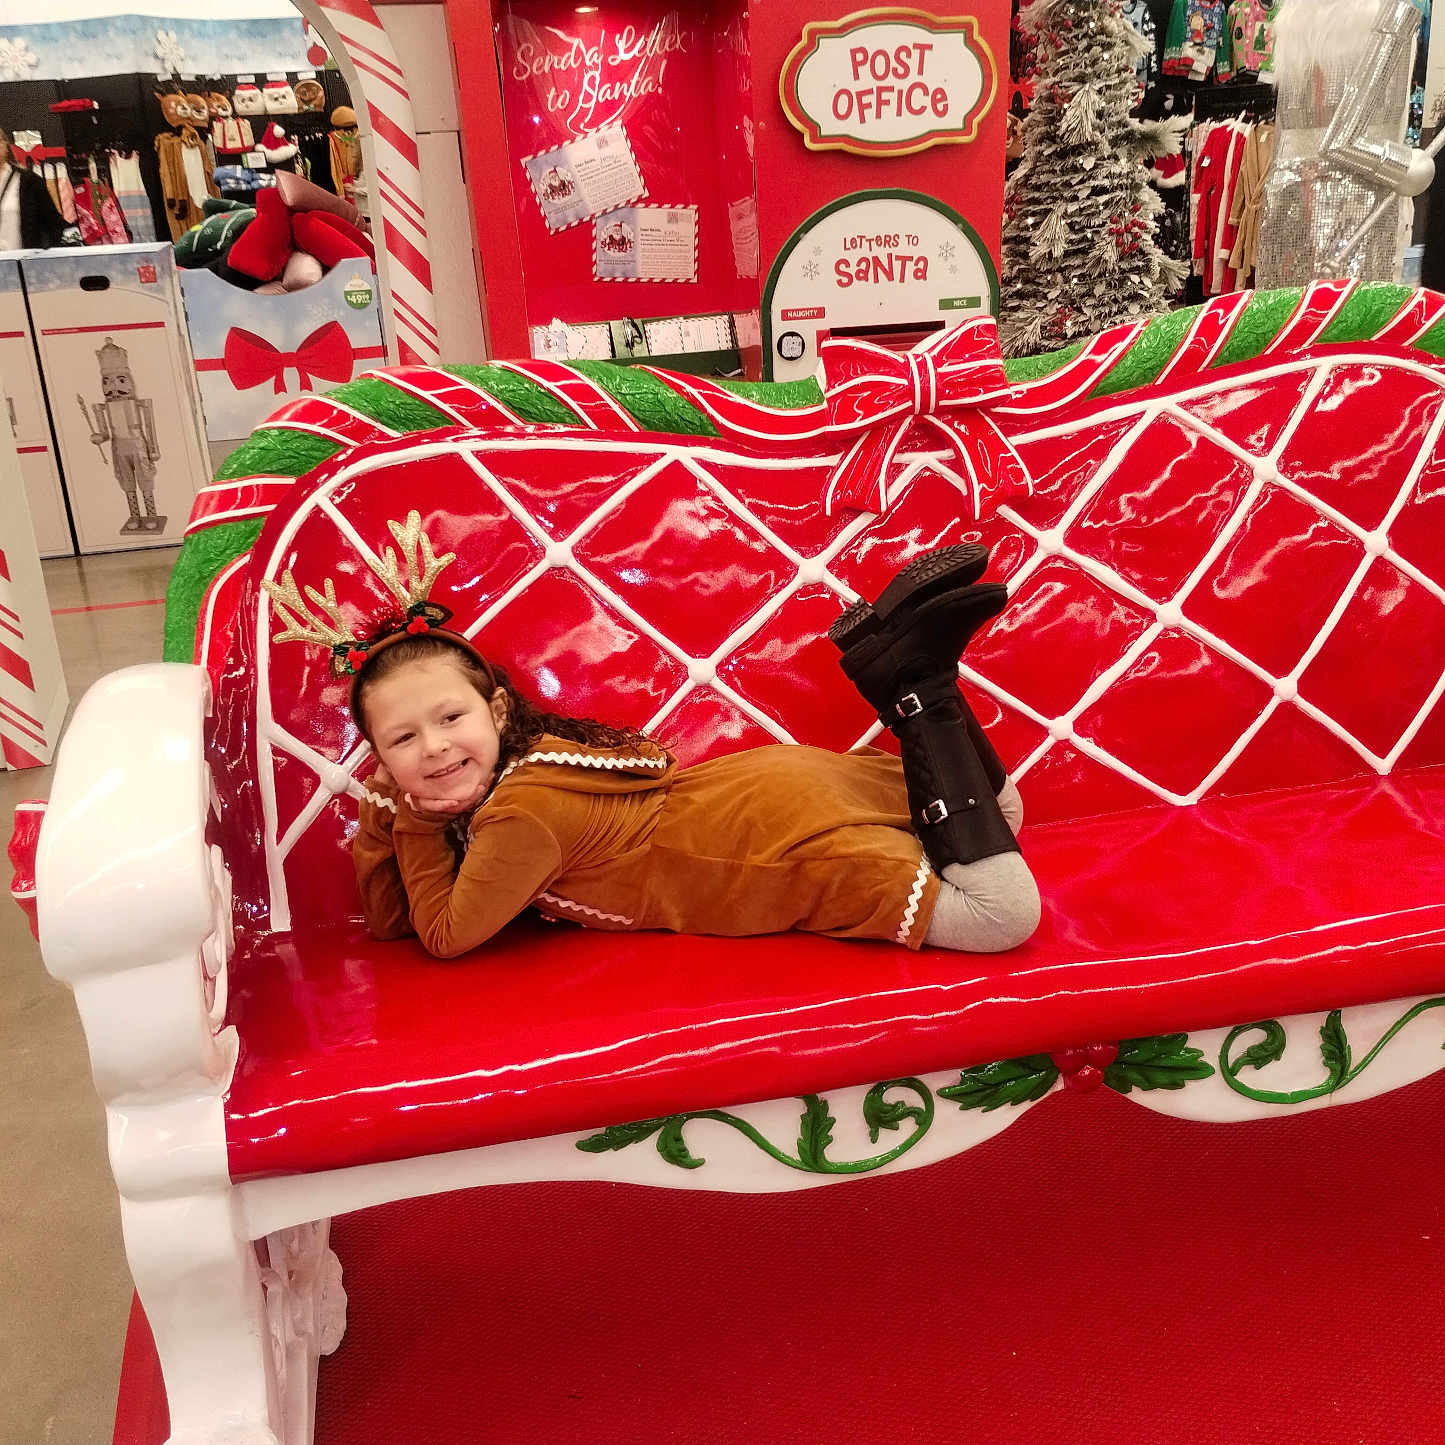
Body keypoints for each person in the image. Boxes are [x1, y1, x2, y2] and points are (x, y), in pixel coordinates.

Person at [268, 527, 1039, 959]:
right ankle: (908, 671)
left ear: (495, 710)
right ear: (377, 753)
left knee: (1002, 916)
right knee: (1000, 808)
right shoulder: (538, 761)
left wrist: (415, 816)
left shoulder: (517, 817)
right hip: (760, 790)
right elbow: (393, 917)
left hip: (766, 851)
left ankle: (922, 686)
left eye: (449, 718)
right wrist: (387, 807)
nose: (433, 748)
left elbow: (439, 934)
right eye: (402, 737)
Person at [0, 126, 68, 252]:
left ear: (6, 145)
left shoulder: (29, 181)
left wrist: (40, 256)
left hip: (22, 264)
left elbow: (54, 224)